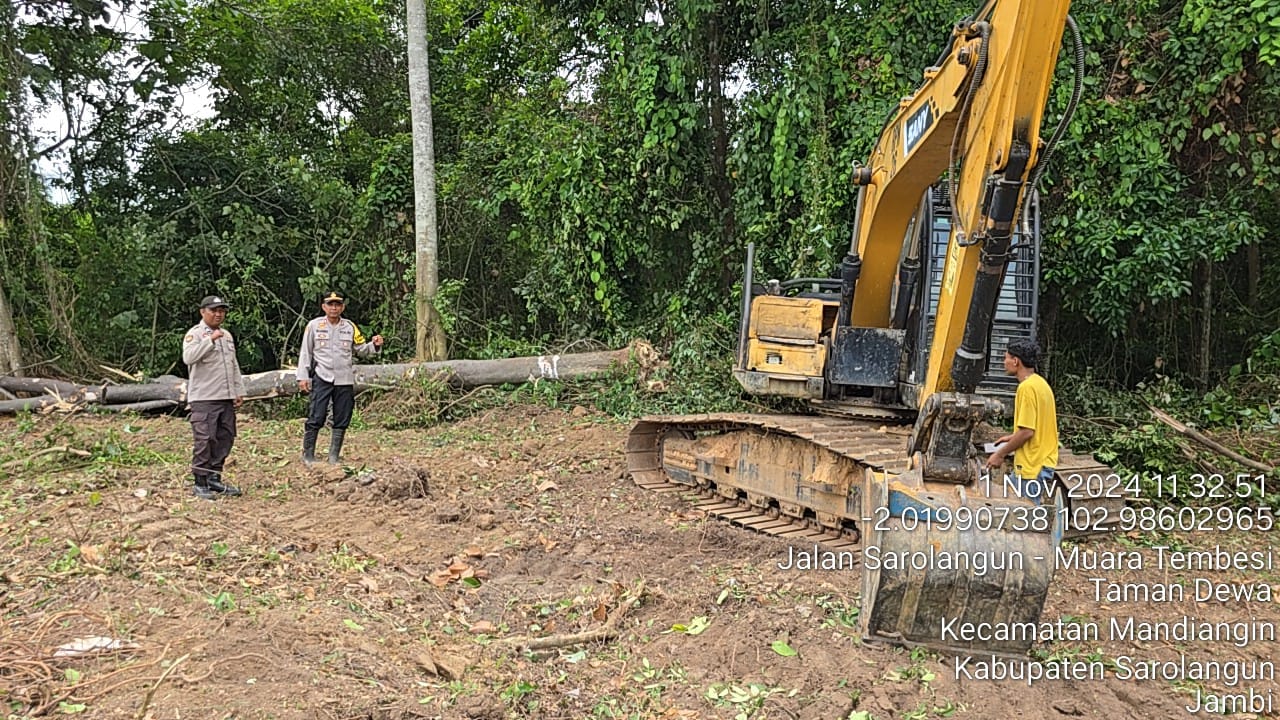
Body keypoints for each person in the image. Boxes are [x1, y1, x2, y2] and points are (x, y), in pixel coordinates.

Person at [296, 291, 383, 465]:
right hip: (322, 375)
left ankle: (333, 456)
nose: (334, 308)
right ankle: (308, 455)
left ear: (342, 307)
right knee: (317, 416)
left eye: (337, 304)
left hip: (344, 378)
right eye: (330, 304)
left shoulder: (350, 327)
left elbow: (361, 350)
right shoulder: (314, 326)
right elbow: (306, 352)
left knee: (342, 417)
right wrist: (303, 377)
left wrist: (374, 345)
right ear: (324, 307)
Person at [182, 295, 246, 499]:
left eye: (222, 311)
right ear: (203, 312)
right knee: (205, 439)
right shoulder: (195, 334)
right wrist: (209, 340)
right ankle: (200, 481)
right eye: (214, 310)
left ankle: (214, 478)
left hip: (225, 396)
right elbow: (188, 357)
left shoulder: (226, 335)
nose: (218, 314)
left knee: (225, 437)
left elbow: (232, 364)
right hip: (204, 397)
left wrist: (238, 390)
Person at [985, 338, 1059, 498]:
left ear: (1016, 361)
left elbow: (1027, 432)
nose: (1004, 362)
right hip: (1039, 462)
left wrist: (999, 454)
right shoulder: (1041, 384)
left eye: (1006, 357)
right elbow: (1038, 427)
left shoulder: (1026, 388)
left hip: (1032, 466)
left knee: (1024, 517)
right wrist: (1011, 438)